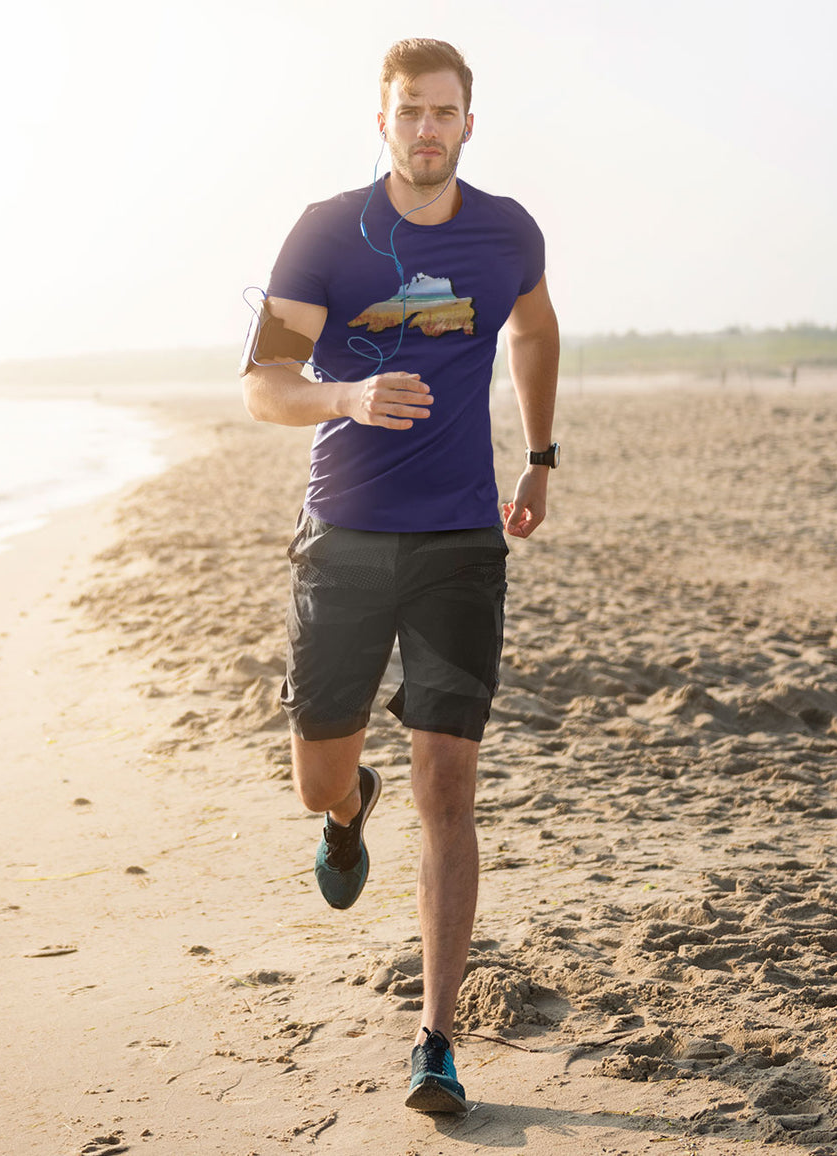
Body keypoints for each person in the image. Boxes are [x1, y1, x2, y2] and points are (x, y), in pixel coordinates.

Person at [240, 38, 560, 1114]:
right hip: (342, 536)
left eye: (443, 112)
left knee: (447, 787)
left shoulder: (505, 231)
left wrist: (542, 455)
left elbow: (534, 327)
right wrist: (345, 396)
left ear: (468, 121)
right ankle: (345, 813)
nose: (426, 129)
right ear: (380, 121)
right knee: (318, 779)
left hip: (460, 543)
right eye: (408, 112)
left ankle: (436, 1040)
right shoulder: (328, 233)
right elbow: (263, 387)